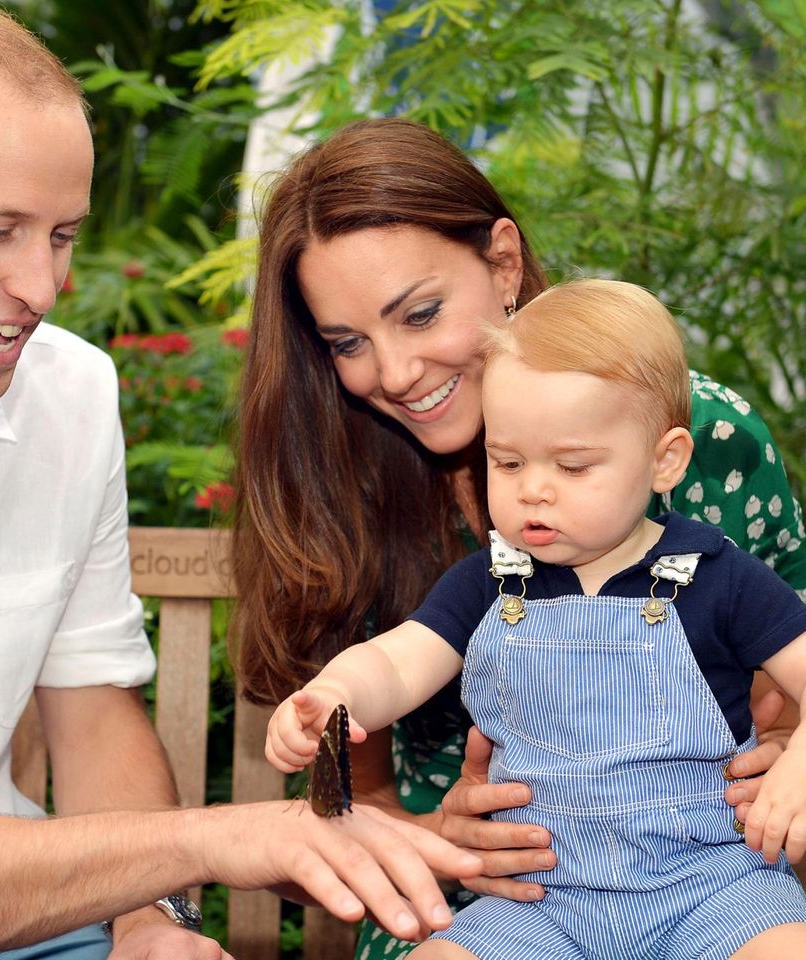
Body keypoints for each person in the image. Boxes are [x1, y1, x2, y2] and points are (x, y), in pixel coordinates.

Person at [0, 6, 484, 960]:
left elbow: (93, 705)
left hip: (31, 930)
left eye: (61, 235)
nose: (42, 285)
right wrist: (203, 841)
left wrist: (156, 924)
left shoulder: (67, 396)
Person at [231, 117, 806, 958]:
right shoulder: (399, 518)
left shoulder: (690, 453)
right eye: (348, 343)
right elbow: (385, 683)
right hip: (510, 900)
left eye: (420, 313)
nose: (392, 374)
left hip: (708, 882)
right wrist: (431, 831)